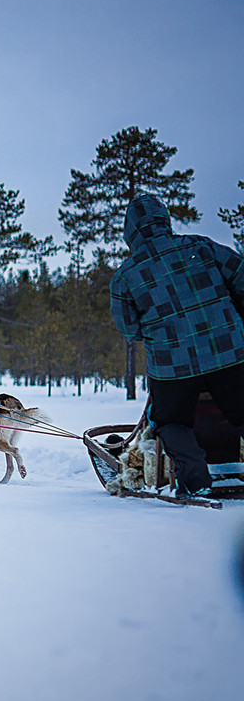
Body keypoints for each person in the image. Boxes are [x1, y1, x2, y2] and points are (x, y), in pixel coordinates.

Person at [111, 193, 244, 499]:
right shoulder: (201, 247)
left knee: (170, 422)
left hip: (173, 366)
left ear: (130, 231)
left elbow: (128, 327)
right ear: (164, 221)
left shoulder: (126, 276)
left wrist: (163, 333)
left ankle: (195, 481)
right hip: (231, 353)